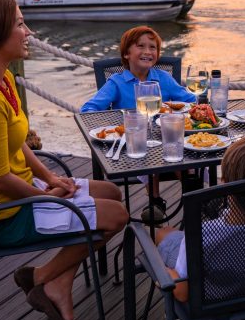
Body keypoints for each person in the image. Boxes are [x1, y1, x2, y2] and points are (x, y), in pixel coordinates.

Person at [0, 0, 128, 320]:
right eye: (20, 24)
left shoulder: (0, 81)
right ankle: (41, 278)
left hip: (21, 195)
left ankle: (55, 284)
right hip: (0, 217)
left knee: (110, 191)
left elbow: (16, 142)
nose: (28, 31)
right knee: (117, 216)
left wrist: (50, 178)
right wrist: (51, 198)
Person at [155, 136, 245, 302]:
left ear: (224, 183)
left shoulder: (204, 234)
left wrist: (164, 271)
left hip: (206, 300)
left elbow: (182, 294)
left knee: (163, 233)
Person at [81, 25, 197, 221]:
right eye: (140, 46)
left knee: (176, 147)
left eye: (152, 47)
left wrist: (174, 106)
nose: (147, 51)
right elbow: (88, 110)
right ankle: (155, 200)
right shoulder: (117, 82)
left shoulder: (163, 78)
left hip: (165, 137)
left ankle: (194, 196)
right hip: (134, 141)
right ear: (127, 53)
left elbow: (190, 100)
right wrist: (117, 123)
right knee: (146, 150)